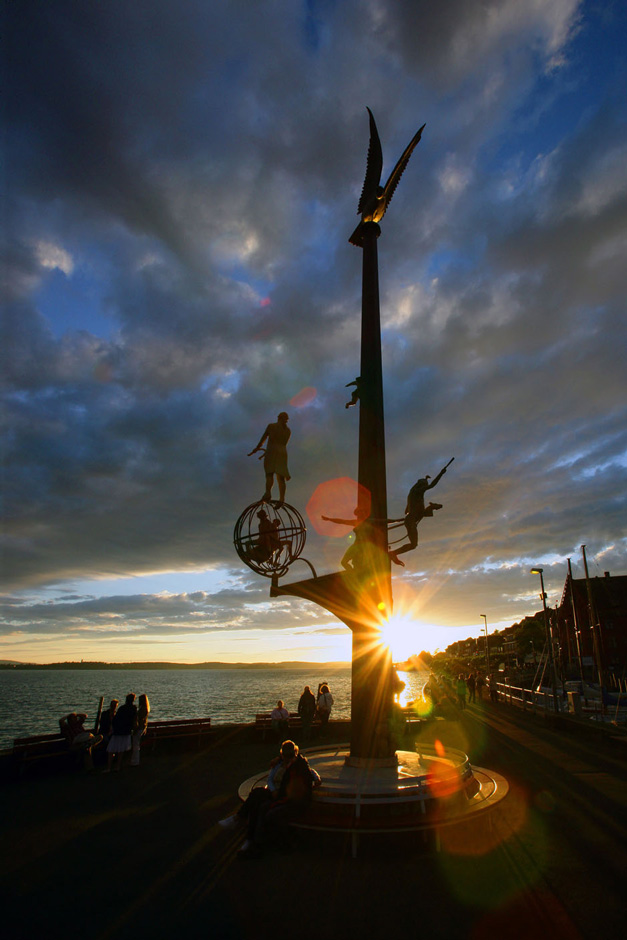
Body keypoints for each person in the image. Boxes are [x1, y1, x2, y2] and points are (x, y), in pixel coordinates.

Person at [389, 459, 453, 566]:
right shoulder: (417, 492)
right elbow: (432, 485)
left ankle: (393, 554)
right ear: (421, 485)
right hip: (410, 521)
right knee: (414, 544)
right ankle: (392, 553)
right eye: (424, 485)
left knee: (414, 544)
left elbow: (417, 512)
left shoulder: (414, 496)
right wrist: (441, 473)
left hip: (411, 520)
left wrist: (432, 507)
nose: (425, 488)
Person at [248, 412, 291, 505]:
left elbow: (262, 440)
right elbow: (284, 443)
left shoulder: (271, 426)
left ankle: (268, 493)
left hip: (272, 451)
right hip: (282, 452)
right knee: (281, 477)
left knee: (269, 474)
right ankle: (281, 499)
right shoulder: (288, 431)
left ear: (278, 418)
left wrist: (256, 448)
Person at [104, 692, 137, 773]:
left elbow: (115, 719)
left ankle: (109, 767)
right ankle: (117, 766)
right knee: (121, 750)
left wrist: (113, 728)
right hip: (126, 731)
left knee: (111, 749)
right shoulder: (133, 708)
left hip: (118, 731)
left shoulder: (122, 708)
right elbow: (134, 720)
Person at [130, 693, 150, 766]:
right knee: (136, 745)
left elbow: (139, 720)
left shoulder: (142, 709)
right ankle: (135, 761)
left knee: (136, 745)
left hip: (139, 728)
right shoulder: (146, 709)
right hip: (142, 728)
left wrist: (135, 728)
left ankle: (135, 761)